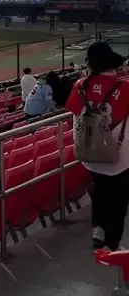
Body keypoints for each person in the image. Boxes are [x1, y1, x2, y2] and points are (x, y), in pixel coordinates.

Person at [66, 41, 129, 251]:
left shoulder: (80, 85)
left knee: (99, 192)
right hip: (120, 156)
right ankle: (112, 244)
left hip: (90, 155)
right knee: (119, 202)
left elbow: (74, 116)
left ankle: (98, 231)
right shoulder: (125, 87)